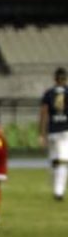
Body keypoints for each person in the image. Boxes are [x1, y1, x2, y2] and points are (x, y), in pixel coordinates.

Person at [39, 67, 68, 201]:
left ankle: (56, 186)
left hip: (52, 131)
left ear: (55, 79)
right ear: (65, 79)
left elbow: (44, 114)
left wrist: (42, 134)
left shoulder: (48, 93)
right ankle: (59, 191)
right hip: (65, 131)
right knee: (62, 161)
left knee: (54, 160)